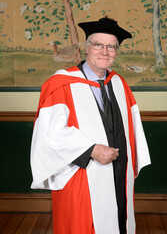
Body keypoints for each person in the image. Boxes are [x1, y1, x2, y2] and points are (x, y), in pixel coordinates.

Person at [30, 16, 151, 234]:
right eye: (98, 45)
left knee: (118, 222)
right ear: (87, 48)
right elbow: (49, 134)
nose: (105, 52)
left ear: (116, 51)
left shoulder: (119, 83)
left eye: (111, 47)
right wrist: (91, 150)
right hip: (81, 176)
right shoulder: (61, 84)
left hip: (117, 172)